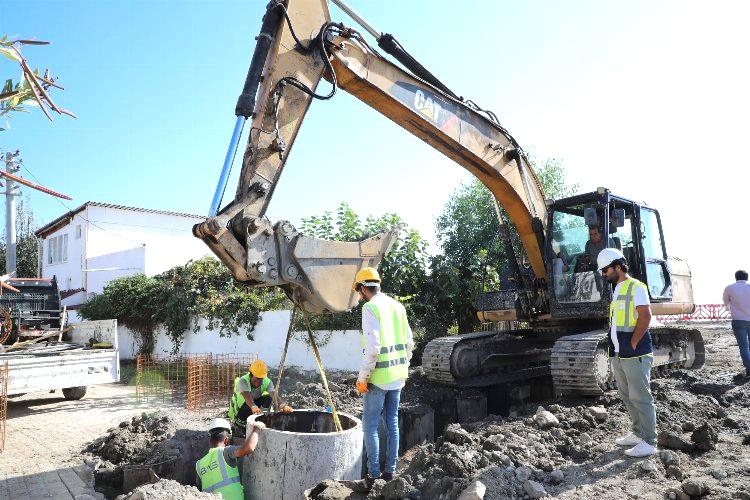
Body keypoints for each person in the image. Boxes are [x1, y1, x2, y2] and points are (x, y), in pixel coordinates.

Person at [352, 266, 414, 483]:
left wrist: (362, 378)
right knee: (392, 422)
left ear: (362, 288)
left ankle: (374, 474)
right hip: (398, 376)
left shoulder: (370, 308)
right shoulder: (398, 306)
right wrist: (404, 369)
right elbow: (409, 342)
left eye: (358, 291)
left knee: (369, 426)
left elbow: (373, 348)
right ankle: (390, 472)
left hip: (378, 378)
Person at [597, 248, 657, 457]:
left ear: (617, 266)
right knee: (626, 394)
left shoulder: (636, 287)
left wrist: (632, 343)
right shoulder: (617, 289)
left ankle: (650, 441)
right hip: (619, 351)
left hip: (634, 351)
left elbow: (645, 316)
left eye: (605, 269)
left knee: (641, 396)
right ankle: (638, 432)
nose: (603, 274)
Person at [195, 417, 265, 498]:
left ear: (210, 440)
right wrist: (257, 428)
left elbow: (198, 492)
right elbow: (249, 448)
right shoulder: (226, 452)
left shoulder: (199, 464)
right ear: (226, 440)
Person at [228, 359, 292, 432]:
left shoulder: (267, 381)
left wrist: (282, 405)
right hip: (241, 408)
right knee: (247, 407)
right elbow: (247, 396)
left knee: (268, 398)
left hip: (253, 403)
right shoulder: (243, 381)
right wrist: (253, 406)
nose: (258, 382)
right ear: (251, 375)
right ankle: (239, 426)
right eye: (256, 379)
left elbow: (273, 394)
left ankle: (263, 418)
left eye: (260, 379)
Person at [722, 270, 750, 378]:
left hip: (738, 320)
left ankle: (749, 369)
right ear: (747, 278)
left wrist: (731, 310)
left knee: (743, 347)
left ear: (736, 277)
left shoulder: (729, 288)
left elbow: (726, 303)